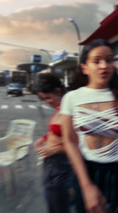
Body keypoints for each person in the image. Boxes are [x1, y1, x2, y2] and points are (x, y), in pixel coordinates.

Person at [60, 39, 118, 213]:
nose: (104, 66)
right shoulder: (72, 98)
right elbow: (70, 141)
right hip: (88, 173)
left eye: (109, 60)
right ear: (84, 67)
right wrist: (86, 186)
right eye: (96, 61)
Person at [34, 73, 73, 213]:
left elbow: (78, 144)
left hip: (61, 166)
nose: (46, 102)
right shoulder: (59, 109)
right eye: (44, 99)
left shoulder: (70, 110)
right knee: (52, 201)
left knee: (58, 205)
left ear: (58, 91)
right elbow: (57, 132)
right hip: (52, 166)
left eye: (48, 98)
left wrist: (54, 150)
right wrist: (44, 138)